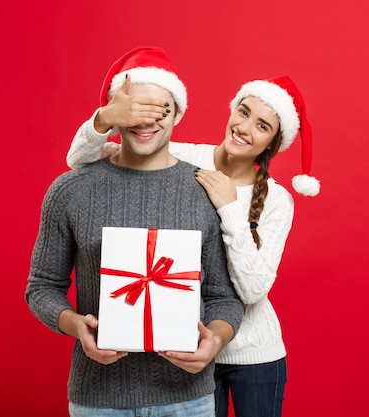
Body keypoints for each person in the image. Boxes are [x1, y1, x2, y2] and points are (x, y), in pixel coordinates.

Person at [67, 68, 320, 417]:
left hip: (254, 354)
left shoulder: (278, 201)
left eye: (263, 126)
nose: (245, 128)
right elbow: (79, 163)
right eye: (243, 112)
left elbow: (252, 290)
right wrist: (104, 118)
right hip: (186, 351)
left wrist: (229, 208)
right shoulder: (184, 159)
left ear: (273, 144)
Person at [25, 46, 244, 417]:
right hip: (98, 398)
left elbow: (225, 296)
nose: (145, 122)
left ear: (177, 114)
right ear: (114, 114)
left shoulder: (206, 190)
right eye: (133, 110)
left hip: (188, 399)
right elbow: (41, 287)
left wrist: (217, 339)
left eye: (159, 109)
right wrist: (76, 325)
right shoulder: (70, 190)